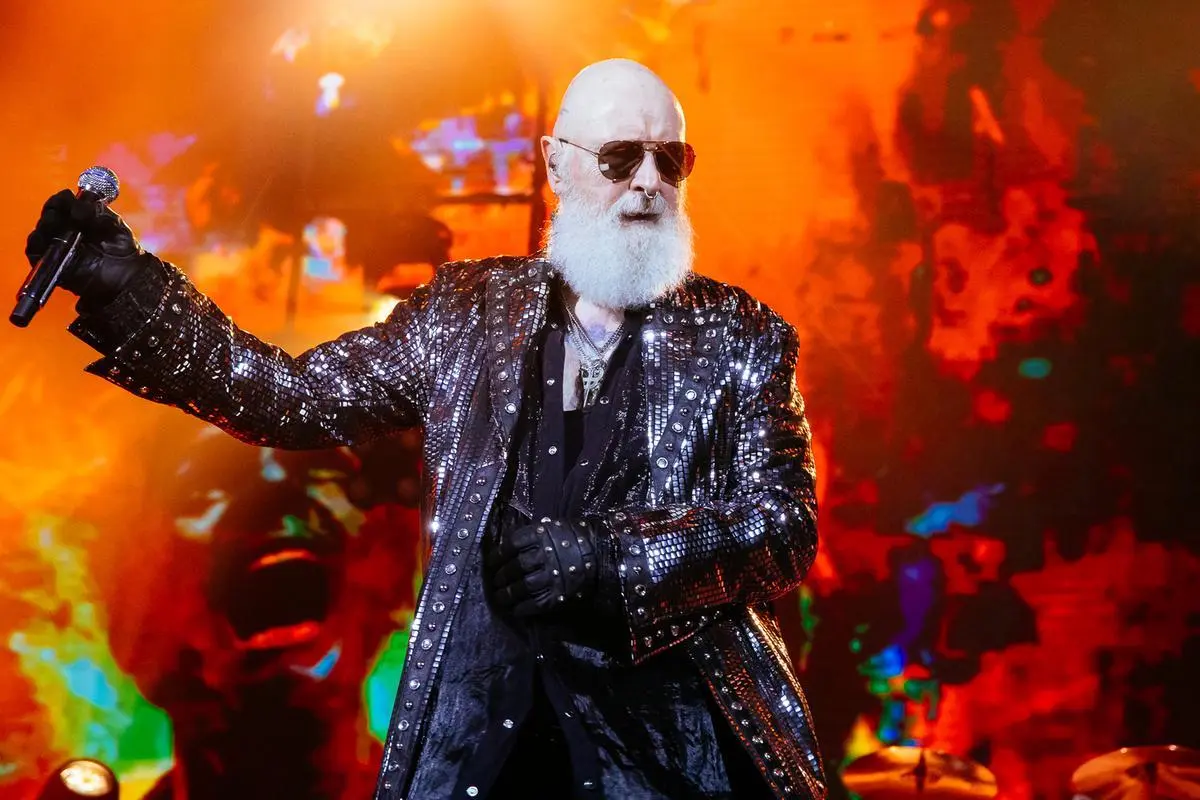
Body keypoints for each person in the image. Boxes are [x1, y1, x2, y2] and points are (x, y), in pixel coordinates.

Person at [23, 59, 824, 799]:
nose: (649, 183)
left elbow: (785, 523)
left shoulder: (740, 335)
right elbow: (292, 398)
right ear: (556, 166)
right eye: (621, 159)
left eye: (671, 161)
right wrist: (126, 287)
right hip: (484, 746)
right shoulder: (468, 314)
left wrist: (608, 556)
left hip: (667, 756)